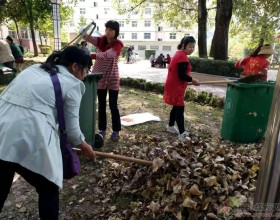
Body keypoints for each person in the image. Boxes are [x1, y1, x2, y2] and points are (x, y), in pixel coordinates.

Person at [0, 46, 96, 219]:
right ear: (75, 67)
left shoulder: (34, 69)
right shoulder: (73, 84)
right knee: (49, 187)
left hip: (2, 128)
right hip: (28, 134)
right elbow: (73, 132)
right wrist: (85, 146)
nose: (85, 75)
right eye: (86, 70)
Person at [81, 20, 124, 139]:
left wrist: (91, 56)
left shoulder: (118, 44)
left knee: (113, 105)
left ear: (116, 32)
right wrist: (84, 30)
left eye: (111, 30)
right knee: (101, 105)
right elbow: (86, 37)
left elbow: (107, 55)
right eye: (107, 29)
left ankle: (116, 131)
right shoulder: (100, 40)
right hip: (99, 76)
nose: (108, 32)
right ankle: (102, 129)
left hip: (112, 77)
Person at [163, 36, 200, 141]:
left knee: (175, 107)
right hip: (176, 87)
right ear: (183, 45)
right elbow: (182, 75)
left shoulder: (179, 54)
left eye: (193, 47)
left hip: (174, 85)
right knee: (179, 108)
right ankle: (182, 132)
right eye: (190, 46)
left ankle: (170, 126)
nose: (192, 49)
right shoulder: (182, 57)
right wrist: (193, 80)